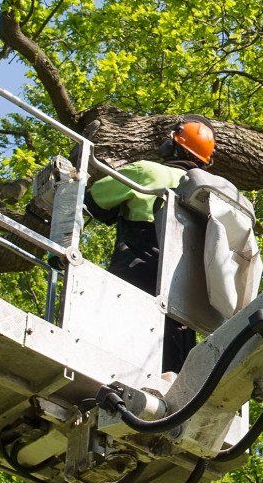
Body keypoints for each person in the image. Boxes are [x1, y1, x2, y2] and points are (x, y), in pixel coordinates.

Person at [87, 117, 217, 372]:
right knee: (171, 377)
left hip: (135, 281)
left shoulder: (147, 172)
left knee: (116, 365)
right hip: (184, 302)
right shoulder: (210, 197)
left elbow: (92, 200)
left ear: (172, 145)